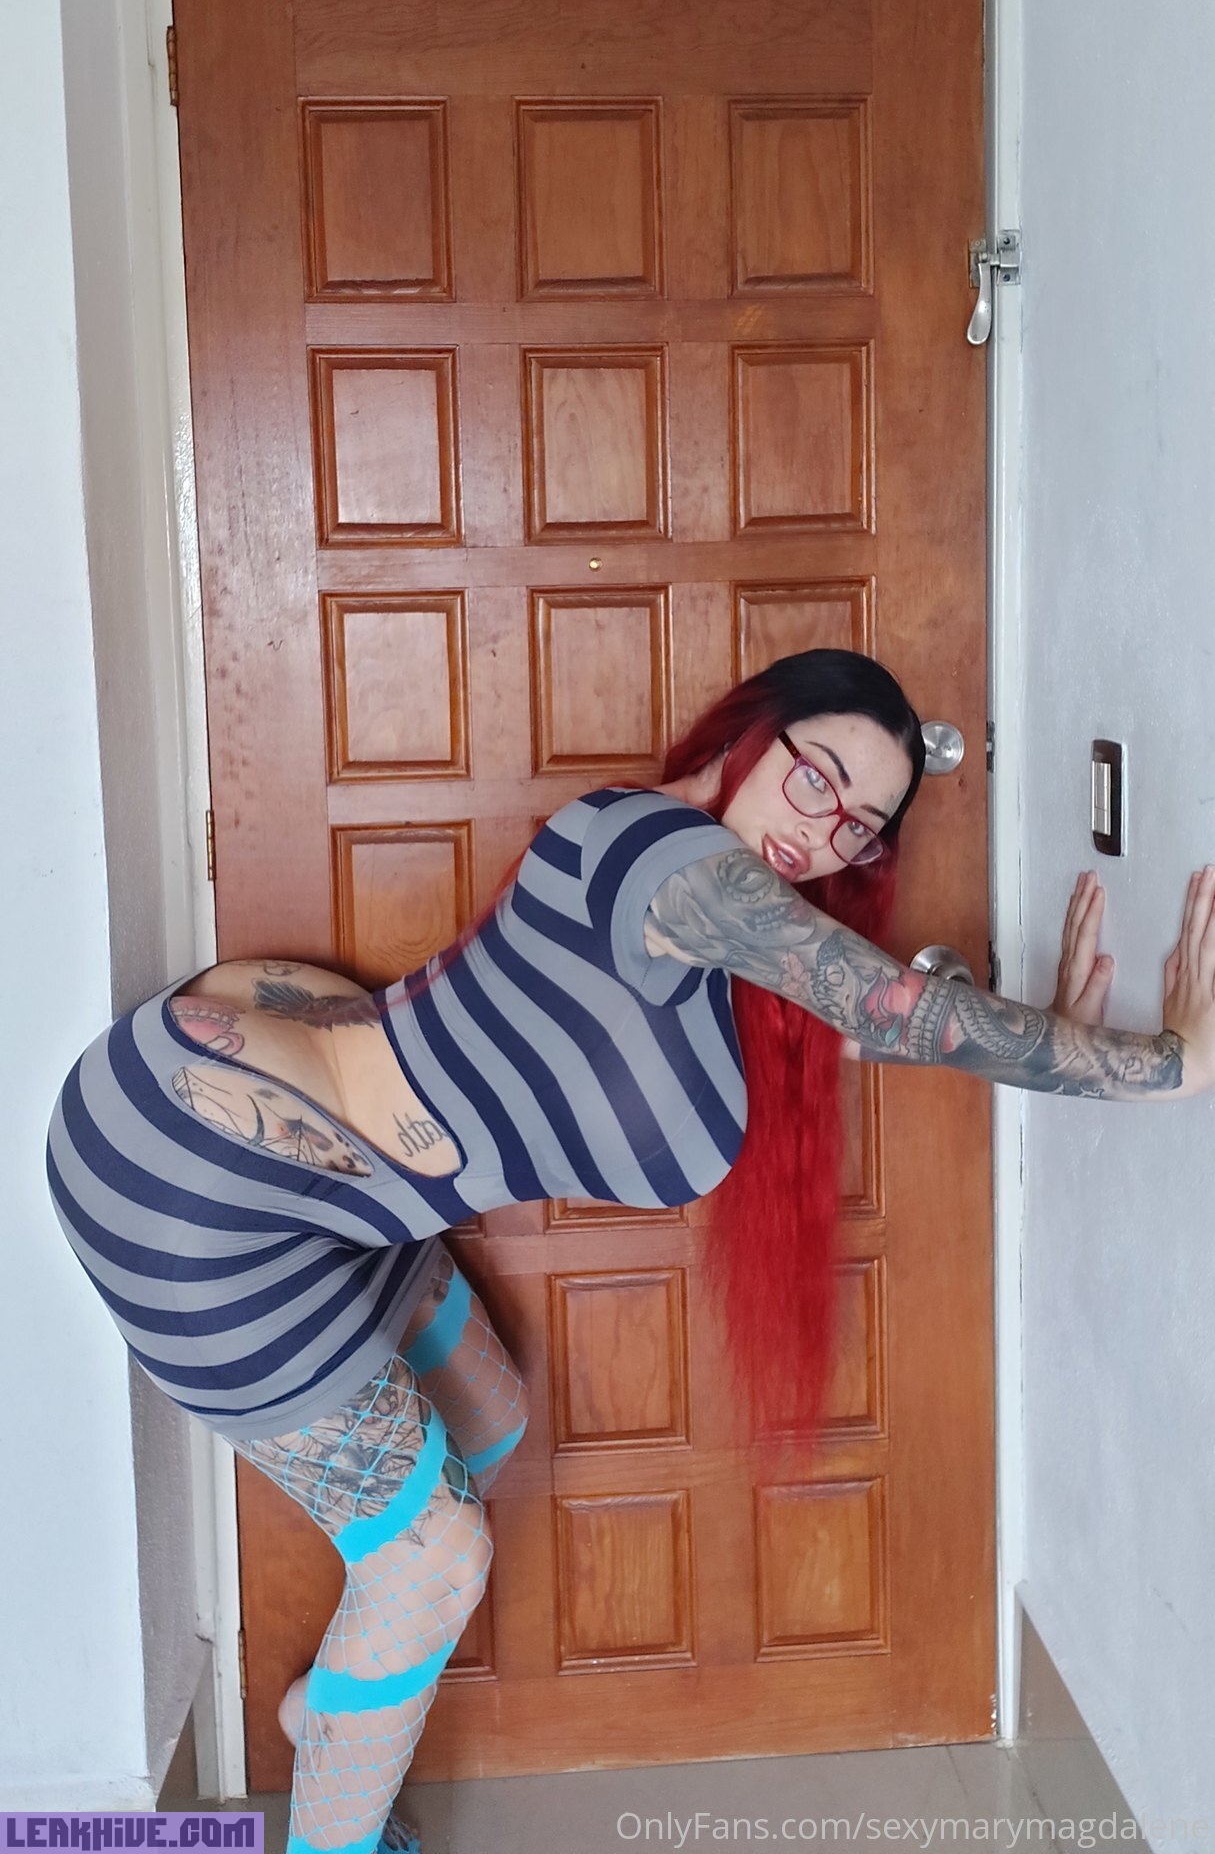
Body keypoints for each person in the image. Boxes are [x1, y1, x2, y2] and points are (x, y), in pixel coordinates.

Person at [45, 650, 1215, 1854]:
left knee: (488, 1419)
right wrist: (1165, 1067)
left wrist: (1050, 1036)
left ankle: (330, 1714)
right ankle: (330, 1832)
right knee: (433, 1562)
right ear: (753, 732)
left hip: (316, 1187)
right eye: (818, 776)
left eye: (860, 826)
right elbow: (882, 1005)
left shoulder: (700, 912)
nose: (823, 833)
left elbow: (852, 1015)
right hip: (192, 1195)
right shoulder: (665, 857)